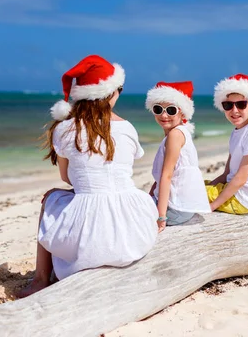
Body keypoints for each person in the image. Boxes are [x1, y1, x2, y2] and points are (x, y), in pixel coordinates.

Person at [17, 55, 158, 298]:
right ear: (110, 92)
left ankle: (40, 280)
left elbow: (67, 177)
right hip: (132, 229)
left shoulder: (64, 129)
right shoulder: (127, 127)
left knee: (51, 199)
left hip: (91, 230)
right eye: (119, 90)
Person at [145, 81, 211, 232]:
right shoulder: (180, 132)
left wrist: (161, 218)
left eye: (171, 110)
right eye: (158, 109)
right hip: (183, 206)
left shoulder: (175, 135)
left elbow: (166, 176)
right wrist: (149, 199)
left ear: (182, 112)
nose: (164, 115)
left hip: (176, 209)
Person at [205, 74, 248, 215]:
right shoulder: (237, 132)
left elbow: (241, 178)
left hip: (241, 199)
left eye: (241, 104)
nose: (234, 110)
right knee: (192, 186)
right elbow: (227, 174)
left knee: (183, 192)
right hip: (235, 192)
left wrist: (212, 206)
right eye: (228, 105)